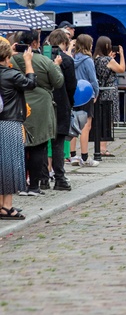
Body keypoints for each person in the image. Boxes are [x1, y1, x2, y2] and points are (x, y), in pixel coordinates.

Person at [11, 30, 64, 195]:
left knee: (20, 146)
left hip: (17, 104)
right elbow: (58, 81)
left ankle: (20, 185)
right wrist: (56, 66)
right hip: (40, 106)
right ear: (35, 43)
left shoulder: (10, 60)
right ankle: (34, 185)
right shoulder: (44, 61)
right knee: (38, 146)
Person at [0, 41, 36, 218]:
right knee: (10, 165)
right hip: (10, 122)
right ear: (7, 56)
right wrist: (28, 61)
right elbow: (30, 83)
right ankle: (7, 206)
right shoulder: (11, 75)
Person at [46, 29, 77, 190]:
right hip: (61, 102)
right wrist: (69, 102)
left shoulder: (42, 58)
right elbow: (72, 85)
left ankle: (43, 178)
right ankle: (60, 178)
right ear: (64, 43)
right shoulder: (66, 60)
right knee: (58, 142)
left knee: (41, 143)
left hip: (45, 103)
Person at [69, 34, 100, 167]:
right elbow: (93, 79)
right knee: (86, 126)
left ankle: (72, 156)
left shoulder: (71, 58)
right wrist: (96, 93)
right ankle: (85, 156)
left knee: (73, 124)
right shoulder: (88, 60)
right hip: (86, 94)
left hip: (73, 94)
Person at [93, 36, 124, 157]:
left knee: (101, 119)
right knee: (108, 120)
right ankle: (103, 147)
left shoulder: (95, 59)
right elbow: (121, 69)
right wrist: (121, 55)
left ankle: (100, 145)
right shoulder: (107, 60)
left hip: (100, 91)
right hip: (110, 92)